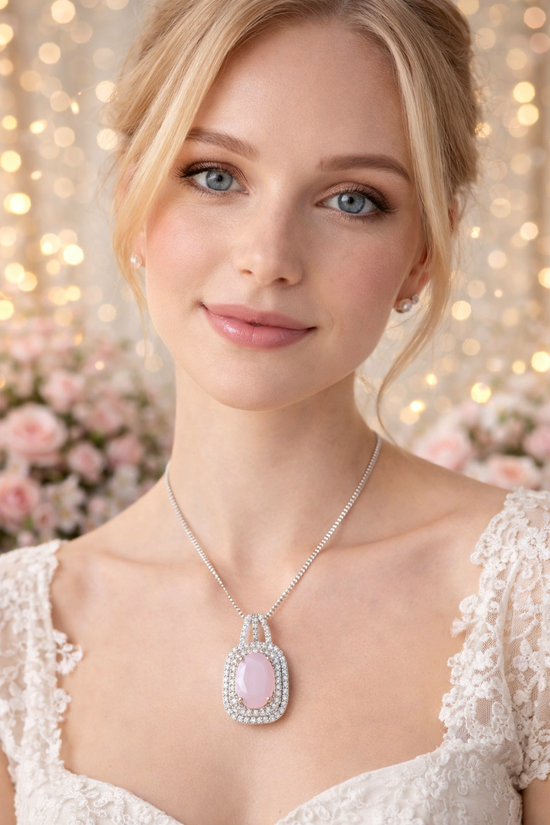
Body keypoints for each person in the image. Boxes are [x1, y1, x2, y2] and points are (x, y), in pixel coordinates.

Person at [1, 1, 549, 823]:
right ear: (132, 190)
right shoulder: (17, 636)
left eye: (352, 199)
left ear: (423, 255)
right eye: (215, 175)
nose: (268, 258)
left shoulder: (530, 591)